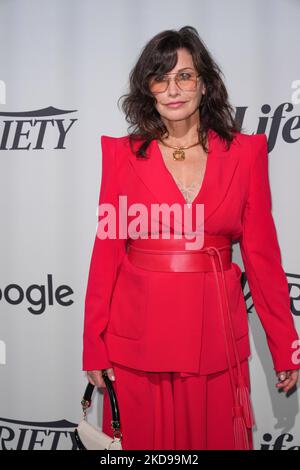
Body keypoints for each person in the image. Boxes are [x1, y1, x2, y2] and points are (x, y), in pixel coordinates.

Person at [81, 26, 300, 450]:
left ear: (204, 83)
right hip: (137, 342)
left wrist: (285, 344)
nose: (173, 89)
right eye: (160, 78)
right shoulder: (122, 155)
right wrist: (93, 343)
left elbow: (262, 258)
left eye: (184, 76)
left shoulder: (246, 153)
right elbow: (106, 253)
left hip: (214, 339)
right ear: (148, 90)